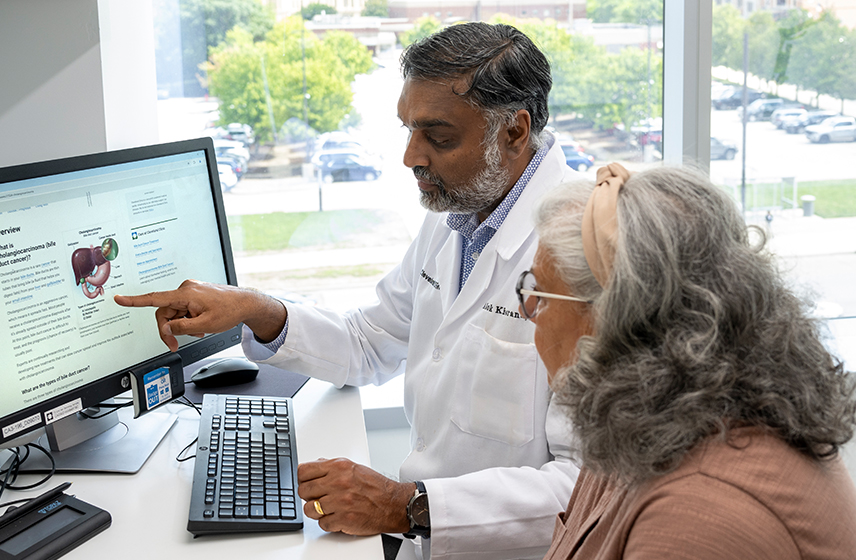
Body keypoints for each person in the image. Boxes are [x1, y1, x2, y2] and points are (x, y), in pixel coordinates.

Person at [115, 22, 581, 560]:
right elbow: (371, 341)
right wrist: (255, 310)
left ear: (515, 132)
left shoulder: (584, 255)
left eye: (438, 136)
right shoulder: (460, 215)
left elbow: (589, 488)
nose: (411, 157)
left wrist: (407, 505)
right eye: (407, 129)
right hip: (423, 537)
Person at [518, 163, 856, 559]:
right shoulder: (643, 421)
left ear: (610, 317)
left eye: (540, 293)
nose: (528, 309)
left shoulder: (702, 511)